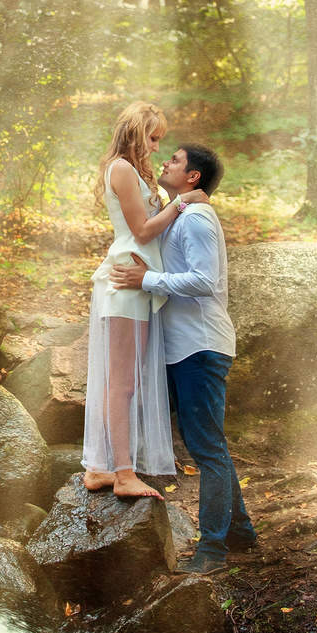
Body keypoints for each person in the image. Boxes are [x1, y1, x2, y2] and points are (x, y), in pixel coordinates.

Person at [110, 143, 257, 574]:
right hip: (185, 347)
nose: (165, 163)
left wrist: (146, 278)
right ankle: (241, 532)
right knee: (207, 443)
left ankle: (212, 549)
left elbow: (204, 281)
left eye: (174, 160)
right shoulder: (184, 212)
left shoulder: (196, 219)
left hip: (201, 346)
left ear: (193, 176)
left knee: (206, 448)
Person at [82, 103, 207, 500]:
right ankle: (123, 474)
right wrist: (183, 202)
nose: (156, 147)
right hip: (126, 282)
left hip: (136, 281)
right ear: (137, 133)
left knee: (120, 381)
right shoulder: (121, 168)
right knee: (122, 383)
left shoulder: (133, 172)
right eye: (153, 138)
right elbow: (141, 230)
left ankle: (99, 468)